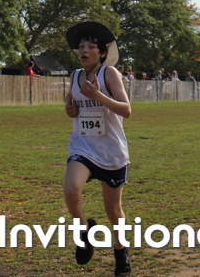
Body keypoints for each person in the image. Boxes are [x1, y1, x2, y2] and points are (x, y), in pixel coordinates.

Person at [63, 21, 132, 277]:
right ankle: (84, 231)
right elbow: (72, 102)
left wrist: (99, 96)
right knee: (71, 189)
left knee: (113, 211)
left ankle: (121, 252)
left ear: (102, 53)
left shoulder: (109, 73)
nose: (84, 50)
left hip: (111, 151)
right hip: (83, 145)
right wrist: (70, 109)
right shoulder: (75, 75)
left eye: (91, 47)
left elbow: (126, 110)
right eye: (81, 46)